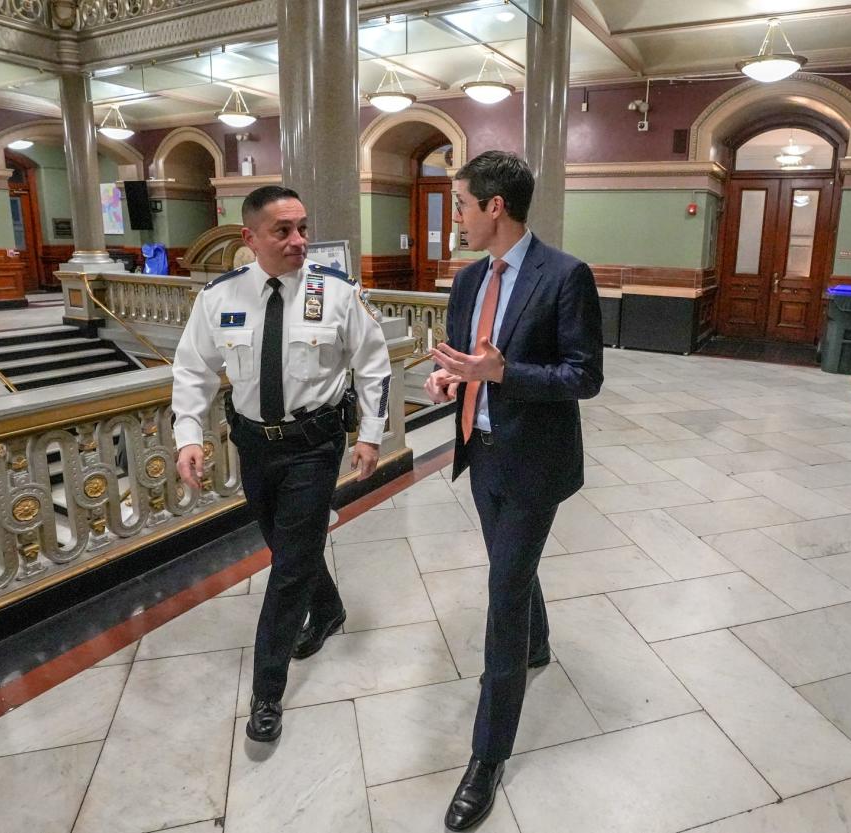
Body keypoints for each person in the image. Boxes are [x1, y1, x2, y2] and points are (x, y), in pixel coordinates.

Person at [172, 185, 391, 743]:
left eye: (302, 228)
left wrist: (369, 434)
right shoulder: (219, 297)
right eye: (283, 231)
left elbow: (372, 364)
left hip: (315, 445)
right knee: (287, 544)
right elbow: (193, 370)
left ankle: (267, 689)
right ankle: (331, 609)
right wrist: (188, 435)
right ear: (250, 238)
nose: (298, 241)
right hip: (254, 445)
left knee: (289, 564)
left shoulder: (336, 293)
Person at [425, 151, 603, 831]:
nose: (457, 218)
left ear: (495, 206)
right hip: (482, 452)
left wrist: (504, 373)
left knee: (502, 592)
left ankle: (486, 756)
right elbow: (459, 356)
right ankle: (540, 642)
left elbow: (583, 377)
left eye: (462, 204)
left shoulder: (565, 276)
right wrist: (452, 380)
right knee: (511, 563)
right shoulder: (468, 280)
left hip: (535, 462)